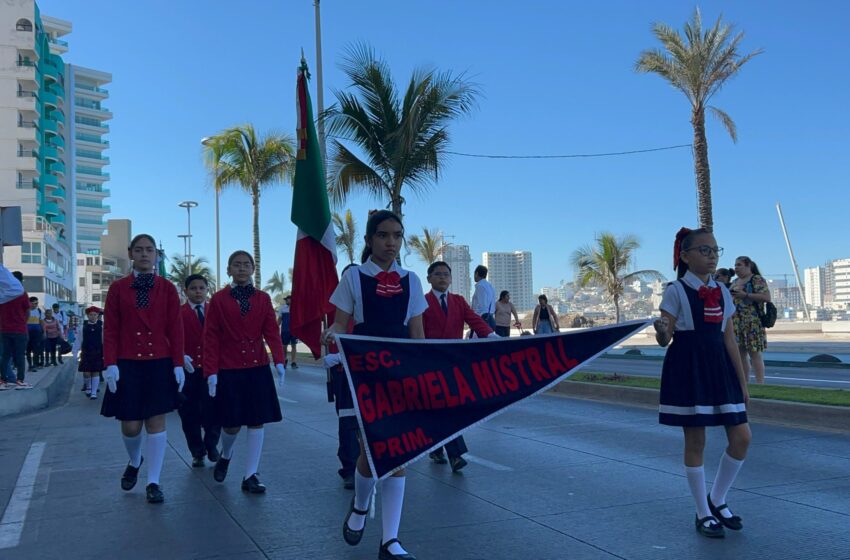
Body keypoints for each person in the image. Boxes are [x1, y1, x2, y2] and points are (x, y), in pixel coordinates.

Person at [322, 210, 427, 560]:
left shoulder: (412, 280)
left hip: (400, 374)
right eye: (383, 235)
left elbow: (418, 334)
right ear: (369, 240)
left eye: (397, 235)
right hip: (365, 371)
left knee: (398, 450)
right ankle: (361, 503)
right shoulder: (354, 278)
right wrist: (330, 337)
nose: (391, 242)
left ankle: (390, 540)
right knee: (373, 449)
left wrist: (424, 374)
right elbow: (340, 323)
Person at [654, 227, 751, 539]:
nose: (711, 256)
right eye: (704, 250)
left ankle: (718, 498)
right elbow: (665, 337)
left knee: (742, 437)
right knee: (695, 442)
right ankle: (702, 511)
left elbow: (730, 339)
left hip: (720, 367)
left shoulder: (723, 291)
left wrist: (742, 382)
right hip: (689, 366)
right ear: (685, 256)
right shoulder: (675, 291)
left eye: (714, 250)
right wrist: (661, 331)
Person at [101, 234, 186, 504]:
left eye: (149, 250)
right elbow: (111, 329)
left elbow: (176, 327)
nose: (145, 254)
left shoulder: (168, 288)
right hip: (128, 363)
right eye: (139, 250)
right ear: (131, 253)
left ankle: (153, 481)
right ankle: (135, 460)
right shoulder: (118, 288)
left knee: (155, 422)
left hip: (159, 362)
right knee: (130, 426)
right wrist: (110, 363)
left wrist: (178, 363)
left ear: (156, 255)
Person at [204, 251, 285, 494]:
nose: (241, 269)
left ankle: (250, 475)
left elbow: (271, 331)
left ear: (252, 269)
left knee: (256, 421)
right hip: (229, 368)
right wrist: (211, 372)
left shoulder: (263, 298)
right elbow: (211, 337)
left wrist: (279, 361)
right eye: (236, 265)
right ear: (229, 270)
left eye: (246, 265)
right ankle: (226, 455)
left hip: (257, 367)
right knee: (231, 425)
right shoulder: (218, 300)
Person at [423, 261, 496, 473]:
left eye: (446, 274)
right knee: (442, 408)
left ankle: (437, 449)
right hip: (430, 364)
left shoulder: (458, 301)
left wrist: (493, 337)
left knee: (448, 407)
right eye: (438, 274)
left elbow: (475, 321)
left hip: (453, 364)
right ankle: (455, 454)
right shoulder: (421, 301)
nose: (443, 278)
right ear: (429, 278)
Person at [324, 264, 360, 491]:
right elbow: (330, 333)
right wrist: (334, 355)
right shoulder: (334, 307)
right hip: (343, 374)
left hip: (372, 370)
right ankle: (349, 468)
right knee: (348, 421)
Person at [179, 274, 221, 468]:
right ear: (186, 290)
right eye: (193, 288)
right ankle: (197, 451)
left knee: (213, 409)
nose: (198, 291)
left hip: (211, 369)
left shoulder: (215, 310)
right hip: (188, 372)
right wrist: (180, 355)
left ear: (207, 290)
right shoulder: (178, 313)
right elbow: (170, 337)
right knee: (189, 414)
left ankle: (211, 445)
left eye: (201, 288)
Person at [731, 256, 771, 384]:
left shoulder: (757, 279)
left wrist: (746, 295)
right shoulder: (735, 281)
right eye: (735, 265)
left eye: (739, 265)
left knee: (754, 354)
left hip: (752, 322)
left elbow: (766, 297)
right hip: (737, 322)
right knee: (741, 354)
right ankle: (745, 382)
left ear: (748, 266)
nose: (736, 268)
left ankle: (760, 383)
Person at [0, 268, 27, 390]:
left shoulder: (2, 294)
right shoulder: (22, 293)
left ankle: (3, 380)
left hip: (4, 329)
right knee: (20, 356)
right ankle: (20, 381)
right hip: (19, 329)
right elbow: (27, 311)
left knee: (5, 356)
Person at [78, 306, 104, 399]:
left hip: (97, 351)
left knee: (96, 371)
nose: (93, 316)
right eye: (91, 315)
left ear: (97, 315)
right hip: (86, 351)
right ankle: (88, 387)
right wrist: (75, 352)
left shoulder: (102, 326)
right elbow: (79, 340)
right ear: (87, 315)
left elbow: (104, 340)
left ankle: (94, 393)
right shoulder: (83, 327)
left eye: (95, 315)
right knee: (86, 373)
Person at [471, 265, 496, 330]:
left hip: (482, 319)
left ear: (476, 273)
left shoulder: (480, 286)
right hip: (490, 318)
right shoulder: (490, 286)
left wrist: (474, 319)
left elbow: (482, 306)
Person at [278, 294, 298, 369]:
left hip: (294, 331)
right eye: (286, 299)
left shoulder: (296, 309)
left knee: (294, 346)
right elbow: (279, 319)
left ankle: (293, 362)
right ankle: (284, 360)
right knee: (284, 346)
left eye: (288, 299)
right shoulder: (282, 308)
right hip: (285, 331)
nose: (287, 300)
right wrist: (276, 328)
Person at [25, 296, 44, 372]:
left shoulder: (39, 311)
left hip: (37, 333)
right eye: (33, 303)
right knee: (28, 350)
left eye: (36, 303)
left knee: (36, 350)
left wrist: (44, 332)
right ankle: (30, 365)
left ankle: (35, 364)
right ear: (29, 303)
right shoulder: (25, 311)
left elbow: (42, 322)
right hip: (27, 333)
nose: (35, 305)